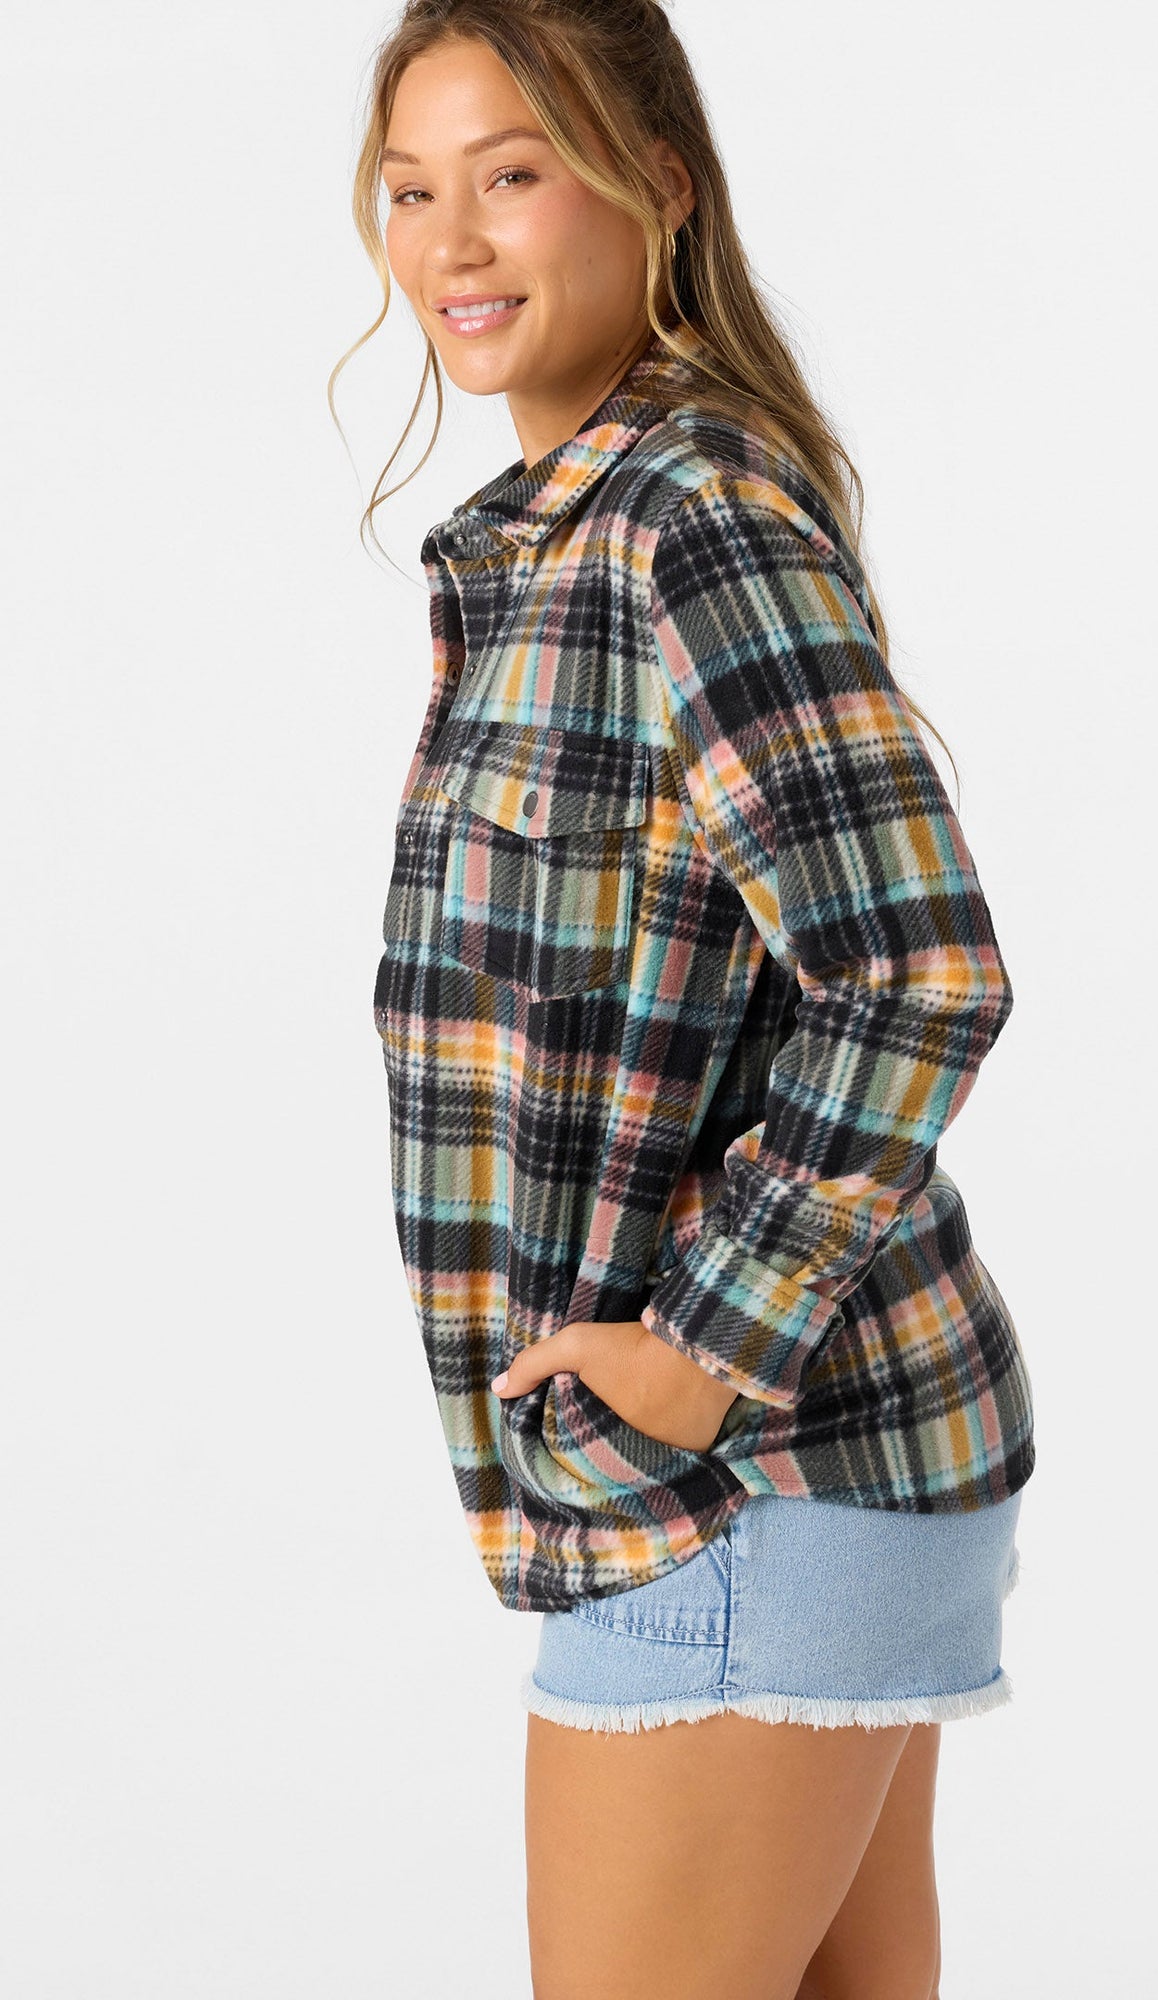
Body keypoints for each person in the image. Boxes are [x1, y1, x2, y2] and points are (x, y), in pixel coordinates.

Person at [336, 4, 1036, 1995]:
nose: (451, 240)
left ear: (655, 186)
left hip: (749, 1486)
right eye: (409, 189)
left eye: (511, 173)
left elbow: (914, 968)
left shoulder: (682, 517)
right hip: (794, 1484)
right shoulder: (565, 537)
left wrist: (698, 1352)